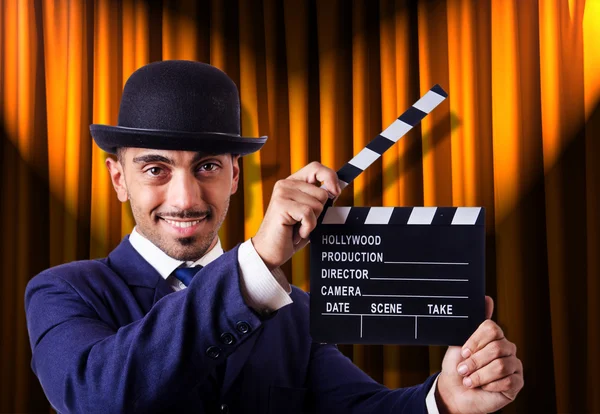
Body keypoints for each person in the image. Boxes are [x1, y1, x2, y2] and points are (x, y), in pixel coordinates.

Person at [25, 60, 523, 414]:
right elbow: (96, 395)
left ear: (235, 178)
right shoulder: (64, 291)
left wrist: (444, 400)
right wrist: (258, 259)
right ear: (117, 179)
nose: (185, 197)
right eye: (155, 168)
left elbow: (360, 408)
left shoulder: (294, 315)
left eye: (208, 167)